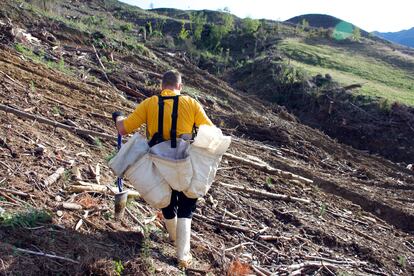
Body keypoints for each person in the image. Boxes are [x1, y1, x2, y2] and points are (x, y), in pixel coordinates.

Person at [113, 70, 213, 268]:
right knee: (187, 202)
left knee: (166, 200)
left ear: (162, 86)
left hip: (158, 160)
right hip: (184, 160)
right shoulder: (191, 103)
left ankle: (174, 238)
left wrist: (118, 117)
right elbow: (210, 131)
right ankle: (183, 256)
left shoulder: (150, 103)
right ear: (180, 87)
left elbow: (123, 129)